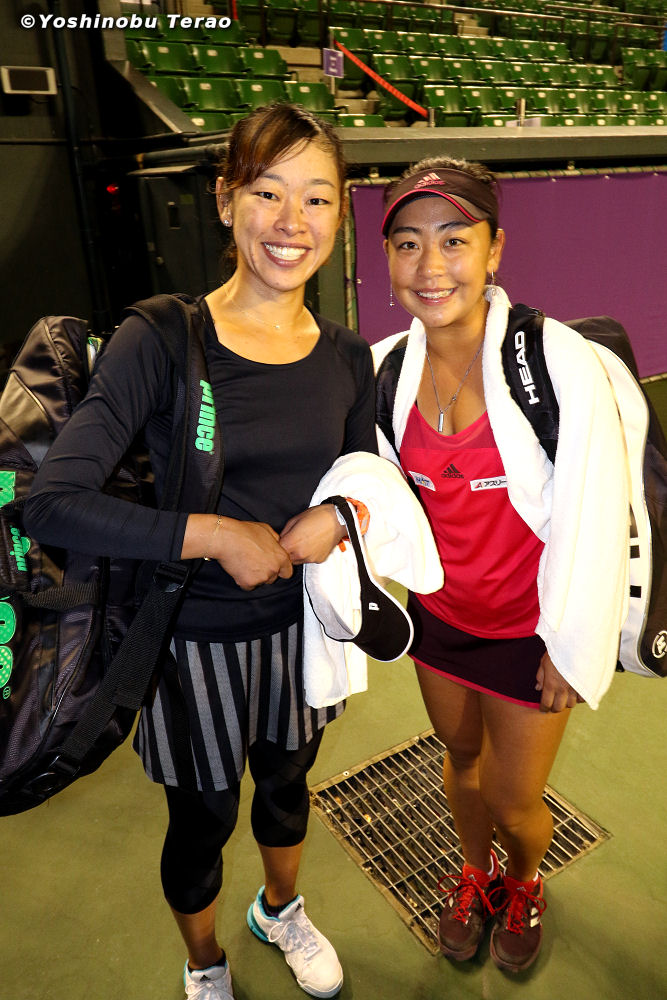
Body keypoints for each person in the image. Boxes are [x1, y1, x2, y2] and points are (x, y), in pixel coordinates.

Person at [24, 104, 378, 1000]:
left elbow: (371, 477)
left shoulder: (348, 356)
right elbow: (51, 503)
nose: (291, 222)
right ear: (224, 201)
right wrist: (213, 534)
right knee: (203, 819)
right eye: (267, 192)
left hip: (303, 635)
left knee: (287, 789)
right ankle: (204, 962)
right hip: (189, 646)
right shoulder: (160, 338)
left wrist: (341, 514)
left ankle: (280, 911)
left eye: (317, 198)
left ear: (340, 215)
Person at [372, 156, 629, 973]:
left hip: (530, 631)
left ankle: (521, 881)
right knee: (459, 760)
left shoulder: (555, 362)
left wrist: (571, 644)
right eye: (407, 243)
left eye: (454, 239)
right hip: (440, 621)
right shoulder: (383, 367)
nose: (430, 265)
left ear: (494, 249)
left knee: (515, 802)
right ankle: (473, 873)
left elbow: (596, 511)